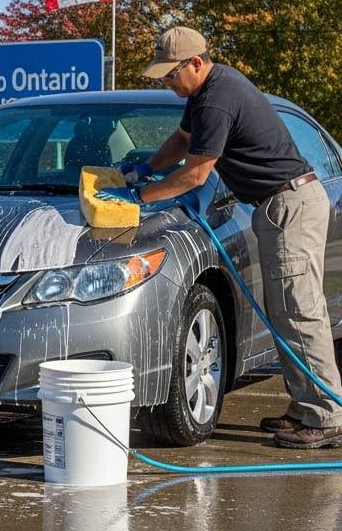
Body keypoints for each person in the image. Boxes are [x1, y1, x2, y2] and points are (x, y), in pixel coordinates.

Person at [96, 26, 341, 448]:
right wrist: (147, 169)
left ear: (196, 63)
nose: (167, 82)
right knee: (285, 312)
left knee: (300, 312)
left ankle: (325, 415)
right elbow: (182, 141)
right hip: (276, 207)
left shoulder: (217, 97)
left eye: (171, 74)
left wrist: (140, 197)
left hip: (290, 206)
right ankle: (305, 409)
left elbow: (196, 172)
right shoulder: (203, 94)